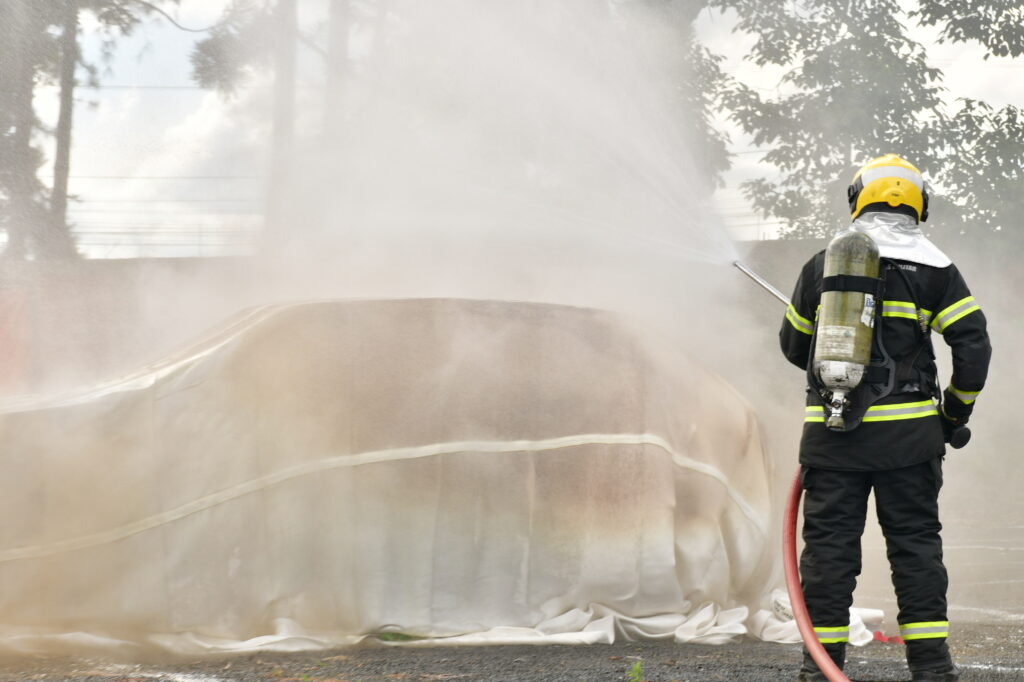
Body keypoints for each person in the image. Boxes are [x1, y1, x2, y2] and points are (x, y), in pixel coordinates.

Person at [779, 154, 992, 682]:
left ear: (859, 198)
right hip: (911, 441)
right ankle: (932, 668)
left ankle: (820, 669)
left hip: (833, 439)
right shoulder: (937, 269)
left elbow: (793, 346)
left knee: (829, 554)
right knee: (915, 548)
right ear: (919, 204)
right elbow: (974, 347)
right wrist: (954, 412)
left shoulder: (824, 264)